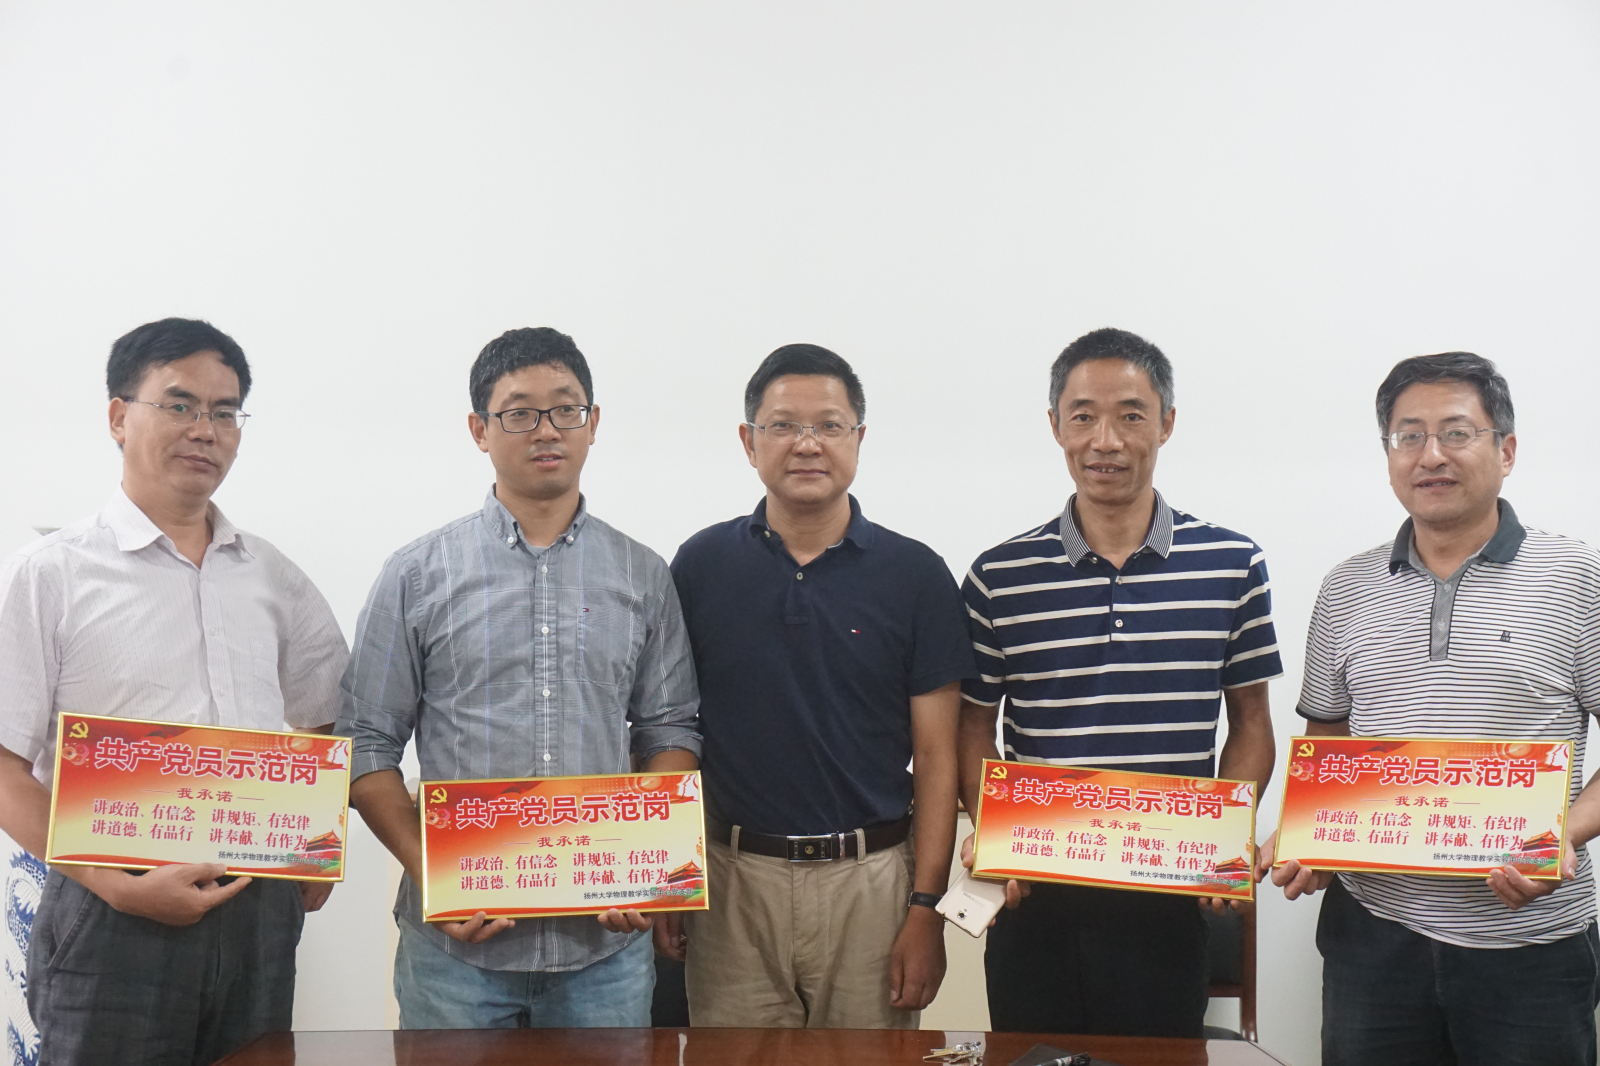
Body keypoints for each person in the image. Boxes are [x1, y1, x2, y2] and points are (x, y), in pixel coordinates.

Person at [0, 318, 348, 1066]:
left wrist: (313, 839)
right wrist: (113, 885)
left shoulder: (271, 574)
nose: (205, 429)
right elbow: (3, 768)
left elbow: (331, 715)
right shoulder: (50, 572)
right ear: (118, 416)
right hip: (110, 904)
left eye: (225, 411)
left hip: (256, 904)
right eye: (180, 404)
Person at [337, 327, 701, 1029]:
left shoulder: (643, 574)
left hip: (605, 949)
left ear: (593, 422)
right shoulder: (417, 574)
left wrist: (650, 861)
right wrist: (430, 871)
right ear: (479, 429)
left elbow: (670, 731)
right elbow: (366, 744)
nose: (547, 429)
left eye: (566, 408)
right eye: (519, 412)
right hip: (455, 955)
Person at [1260, 352, 1600, 1066]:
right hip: (1372, 940)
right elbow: (1328, 740)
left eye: (1457, 432)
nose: (1431, 455)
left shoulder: (1577, 579)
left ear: (1506, 450)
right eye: (1408, 435)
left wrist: (1559, 836)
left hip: (1530, 943)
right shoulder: (1346, 587)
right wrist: (1313, 837)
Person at [956, 327, 1282, 1038]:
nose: (1105, 439)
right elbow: (972, 726)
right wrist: (991, 829)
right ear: (1055, 426)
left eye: (1131, 415)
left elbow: (1252, 723)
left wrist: (1225, 835)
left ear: (1167, 423)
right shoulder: (998, 576)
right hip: (1036, 891)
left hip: (1168, 892)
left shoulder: (1232, 564)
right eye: (1083, 416)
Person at [662, 343, 975, 1029]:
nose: (807, 444)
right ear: (748, 441)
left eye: (829, 425)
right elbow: (672, 729)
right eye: (783, 425)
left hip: (871, 883)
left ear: (858, 438)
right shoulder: (700, 566)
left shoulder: (916, 575)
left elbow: (938, 757)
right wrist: (669, 880)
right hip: (732, 880)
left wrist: (926, 909)